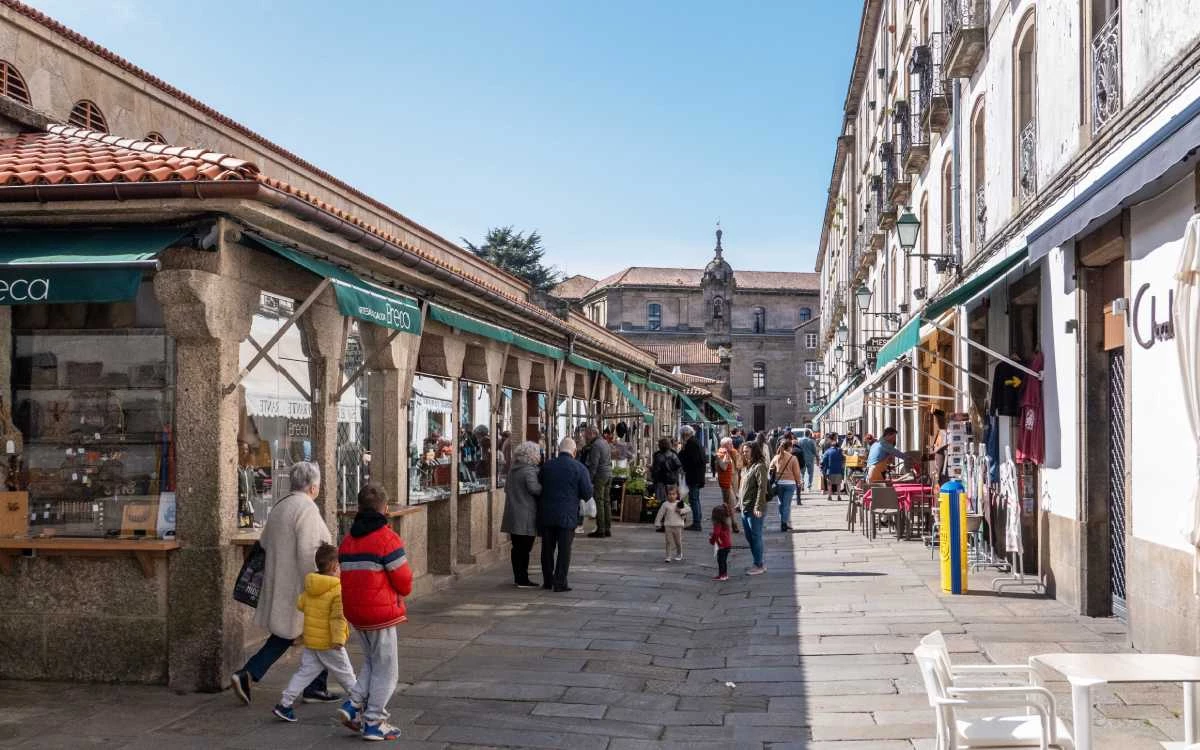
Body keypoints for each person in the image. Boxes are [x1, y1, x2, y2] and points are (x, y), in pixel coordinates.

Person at [231, 461, 334, 705]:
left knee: (292, 635)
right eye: (317, 484)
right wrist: (321, 585)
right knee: (319, 633)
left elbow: (265, 542)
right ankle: (251, 674)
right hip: (299, 586)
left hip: (281, 581)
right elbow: (311, 552)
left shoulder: (282, 505)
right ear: (312, 487)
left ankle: (310, 685)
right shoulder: (306, 509)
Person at [336, 483, 413, 741]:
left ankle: (353, 703)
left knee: (371, 662)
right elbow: (404, 581)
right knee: (388, 670)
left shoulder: (347, 540)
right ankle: (374, 721)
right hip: (380, 614)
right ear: (385, 508)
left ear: (359, 508)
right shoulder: (387, 539)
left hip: (356, 612)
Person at [272, 543, 357, 724]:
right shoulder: (337, 590)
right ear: (335, 567)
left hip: (312, 642)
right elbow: (338, 618)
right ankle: (360, 704)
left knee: (304, 674)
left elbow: (300, 604)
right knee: (347, 675)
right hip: (329, 643)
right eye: (340, 566)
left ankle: (284, 704)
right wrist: (339, 639)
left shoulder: (311, 586)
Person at [539, 437, 593, 592]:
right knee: (564, 549)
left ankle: (548, 580)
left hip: (547, 513)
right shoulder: (580, 468)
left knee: (547, 549)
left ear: (558, 448)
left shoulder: (547, 466)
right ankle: (560, 581)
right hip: (568, 515)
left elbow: (539, 485)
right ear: (574, 452)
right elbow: (587, 493)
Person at [500, 441, 542, 588]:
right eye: (537, 453)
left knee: (517, 547)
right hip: (526, 514)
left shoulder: (513, 470)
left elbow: (506, 489)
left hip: (513, 513)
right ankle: (522, 578)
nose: (539, 456)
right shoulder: (529, 471)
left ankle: (518, 576)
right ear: (531, 455)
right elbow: (535, 490)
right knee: (525, 548)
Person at [739, 442, 769, 575]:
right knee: (749, 537)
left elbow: (762, 488)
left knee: (755, 536)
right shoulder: (746, 468)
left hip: (754, 508)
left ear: (754, 451)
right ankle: (758, 562)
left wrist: (758, 506)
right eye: (743, 451)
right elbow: (743, 488)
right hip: (744, 507)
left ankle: (758, 565)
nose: (744, 454)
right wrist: (738, 503)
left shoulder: (759, 467)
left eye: (747, 451)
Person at [583, 426, 613, 538]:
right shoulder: (605, 442)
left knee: (599, 501)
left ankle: (601, 529)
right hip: (608, 473)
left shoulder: (595, 445)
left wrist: (589, 479)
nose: (585, 437)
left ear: (592, 434)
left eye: (586, 434)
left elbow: (594, 464)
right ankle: (607, 528)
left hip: (600, 475)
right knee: (606, 501)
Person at [770, 440, 802, 532]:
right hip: (790, 483)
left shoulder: (776, 457)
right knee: (786, 504)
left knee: (781, 503)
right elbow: (796, 472)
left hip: (779, 483)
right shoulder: (793, 458)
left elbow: (770, 468)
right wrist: (799, 482)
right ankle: (784, 523)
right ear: (789, 448)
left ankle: (783, 522)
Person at [678, 425, 706, 530]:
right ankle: (697, 520)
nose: (681, 437)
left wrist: (684, 463)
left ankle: (697, 523)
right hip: (697, 475)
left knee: (694, 499)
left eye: (682, 435)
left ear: (685, 434)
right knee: (695, 499)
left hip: (694, 476)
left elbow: (693, 460)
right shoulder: (695, 442)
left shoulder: (692, 444)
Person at [653, 484, 691, 562]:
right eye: (669, 494)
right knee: (668, 541)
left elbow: (688, 509)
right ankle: (668, 556)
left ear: (677, 495)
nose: (671, 496)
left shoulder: (680, 503)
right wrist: (657, 523)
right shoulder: (665, 504)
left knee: (678, 541)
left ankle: (679, 553)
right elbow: (660, 514)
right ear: (667, 495)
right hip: (668, 525)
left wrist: (680, 510)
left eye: (673, 494)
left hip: (678, 525)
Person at [714, 438, 741, 533]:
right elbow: (724, 467)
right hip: (726, 482)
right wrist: (718, 459)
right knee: (731, 503)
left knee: (728, 504)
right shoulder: (722, 454)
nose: (732, 445)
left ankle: (725, 523)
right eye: (730, 444)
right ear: (725, 445)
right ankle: (733, 524)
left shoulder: (731, 452)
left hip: (733, 480)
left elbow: (738, 465)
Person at [651, 436, 683, 503]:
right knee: (673, 500)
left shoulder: (658, 456)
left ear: (660, 446)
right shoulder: (674, 455)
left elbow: (656, 471)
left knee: (662, 501)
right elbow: (679, 467)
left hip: (661, 482)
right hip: (673, 481)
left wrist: (651, 470)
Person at [709, 504, 733, 581]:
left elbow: (716, 534)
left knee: (720, 560)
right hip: (727, 544)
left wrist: (712, 540)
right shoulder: (726, 523)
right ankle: (724, 574)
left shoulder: (717, 524)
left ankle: (722, 575)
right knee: (724, 560)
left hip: (722, 545)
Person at [821, 434, 846, 502]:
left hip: (830, 471)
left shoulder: (827, 451)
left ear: (831, 446)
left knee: (830, 484)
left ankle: (829, 496)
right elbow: (844, 458)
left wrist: (824, 469)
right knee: (838, 484)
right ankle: (838, 496)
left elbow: (824, 461)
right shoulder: (839, 451)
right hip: (838, 470)